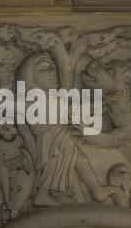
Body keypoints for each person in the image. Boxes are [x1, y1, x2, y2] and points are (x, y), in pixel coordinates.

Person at [15, 52, 116, 206]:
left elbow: (68, 111)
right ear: (29, 77)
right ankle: (42, 194)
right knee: (53, 165)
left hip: (60, 137)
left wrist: (95, 107)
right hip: (51, 140)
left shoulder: (50, 98)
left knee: (79, 160)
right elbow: (68, 111)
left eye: (53, 68)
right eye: (44, 68)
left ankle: (96, 190)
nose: (52, 72)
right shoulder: (35, 99)